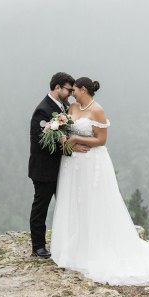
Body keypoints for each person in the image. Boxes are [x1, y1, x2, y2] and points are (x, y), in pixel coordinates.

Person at [50, 76, 149, 285]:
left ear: (84, 89)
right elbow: (65, 131)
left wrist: (76, 139)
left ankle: (95, 248)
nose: (71, 93)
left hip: (91, 162)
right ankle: (76, 246)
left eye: (74, 90)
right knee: (77, 202)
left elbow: (101, 139)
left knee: (93, 202)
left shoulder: (97, 110)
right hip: (73, 163)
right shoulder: (71, 107)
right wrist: (67, 141)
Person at [28, 72, 91, 258]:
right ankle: (38, 246)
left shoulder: (64, 107)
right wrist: (70, 147)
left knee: (66, 205)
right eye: (69, 89)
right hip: (44, 169)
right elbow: (42, 143)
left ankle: (68, 244)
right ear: (57, 87)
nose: (71, 93)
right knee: (41, 207)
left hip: (62, 168)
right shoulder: (43, 110)